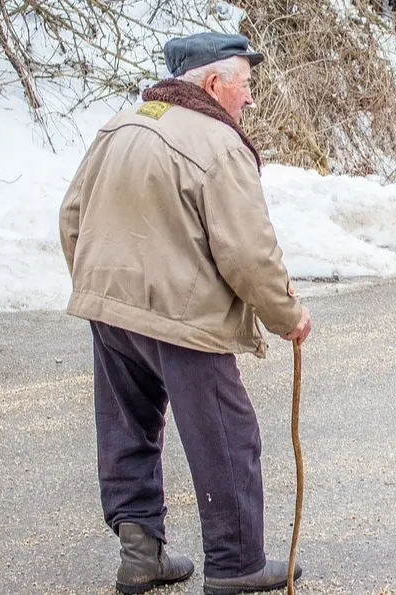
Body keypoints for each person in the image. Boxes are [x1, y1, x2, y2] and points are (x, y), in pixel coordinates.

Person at [59, 31, 312, 595]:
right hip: (181, 315)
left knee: (127, 427)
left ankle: (140, 553)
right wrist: (286, 314)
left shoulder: (119, 125)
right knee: (226, 435)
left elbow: (72, 214)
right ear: (215, 81)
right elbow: (248, 251)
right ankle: (237, 564)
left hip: (110, 306)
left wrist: (97, 284)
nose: (250, 100)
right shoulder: (218, 144)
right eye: (245, 85)